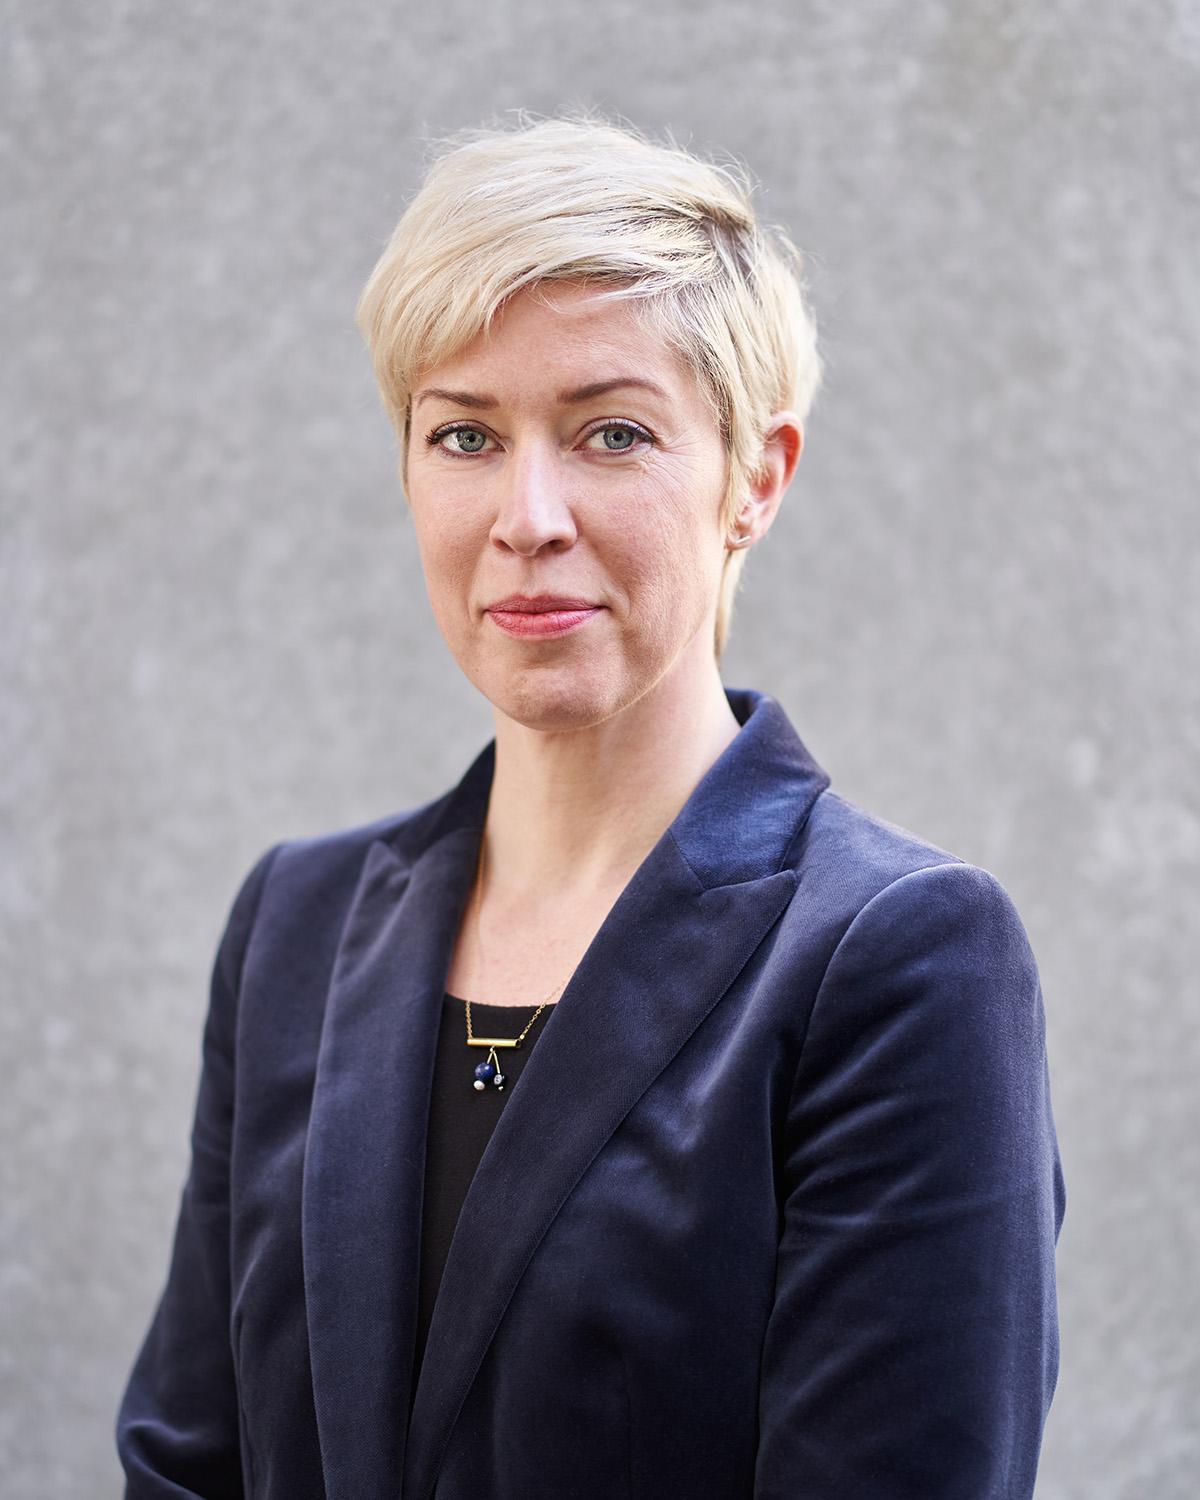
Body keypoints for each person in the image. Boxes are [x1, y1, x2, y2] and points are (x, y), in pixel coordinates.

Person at [115, 112, 1066, 1500]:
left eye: (611, 432)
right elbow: (188, 1463)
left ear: (756, 477)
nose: (529, 513)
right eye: (465, 435)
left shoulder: (903, 961)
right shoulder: (294, 928)